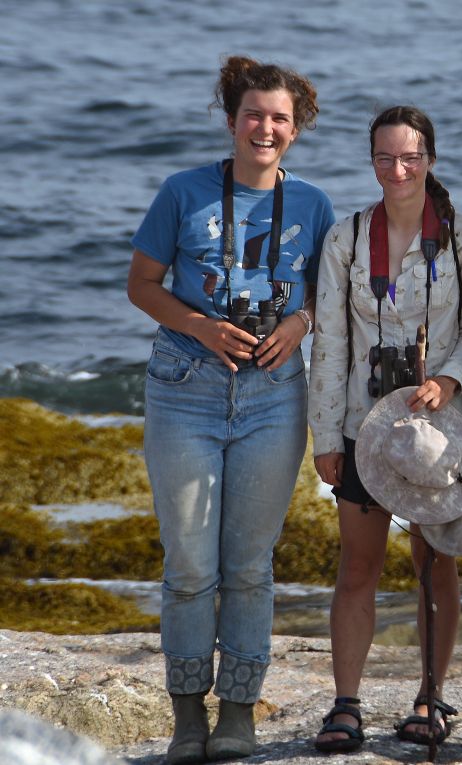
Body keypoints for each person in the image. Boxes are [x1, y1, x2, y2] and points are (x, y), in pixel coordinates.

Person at [127, 56, 334, 764]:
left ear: (296, 129)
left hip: (274, 393)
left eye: (280, 118)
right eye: (254, 115)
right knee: (189, 563)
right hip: (185, 385)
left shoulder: (312, 204)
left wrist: (299, 322)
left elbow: (325, 294)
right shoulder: (183, 191)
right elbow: (142, 284)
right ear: (230, 121)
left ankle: (238, 713)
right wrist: (202, 326)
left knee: (248, 564)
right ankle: (188, 717)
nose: (265, 129)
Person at [307, 105, 462, 753]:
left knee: (434, 565)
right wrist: (326, 438)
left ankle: (431, 696)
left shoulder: (461, 237)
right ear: (372, 162)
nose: (399, 169)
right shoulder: (348, 238)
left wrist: (451, 380)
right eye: (385, 158)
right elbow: (330, 343)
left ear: (430, 159)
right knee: (358, 566)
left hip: (438, 432)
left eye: (411, 157)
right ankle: (345, 704)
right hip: (365, 426)